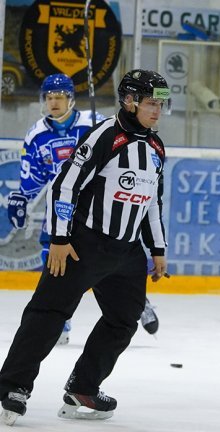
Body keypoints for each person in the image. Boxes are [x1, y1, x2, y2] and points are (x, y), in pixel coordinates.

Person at [0, 69, 171, 426]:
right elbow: (65, 186)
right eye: (151, 103)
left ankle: (83, 387)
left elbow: (152, 202)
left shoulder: (156, 147)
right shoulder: (104, 136)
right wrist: (60, 239)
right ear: (130, 101)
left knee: (124, 319)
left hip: (126, 252)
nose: (158, 111)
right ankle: (12, 387)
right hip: (83, 245)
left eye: (161, 104)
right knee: (48, 313)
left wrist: (157, 249)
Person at [5, 74, 161, 344]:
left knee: (115, 261)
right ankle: (60, 318)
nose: (54, 103)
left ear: (71, 99)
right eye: (49, 98)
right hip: (62, 205)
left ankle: (138, 300)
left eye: (59, 97)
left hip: (97, 207)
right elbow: (34, 176)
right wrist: (22, 197)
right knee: (53, 255)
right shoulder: (37, 134)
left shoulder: (93, 123)